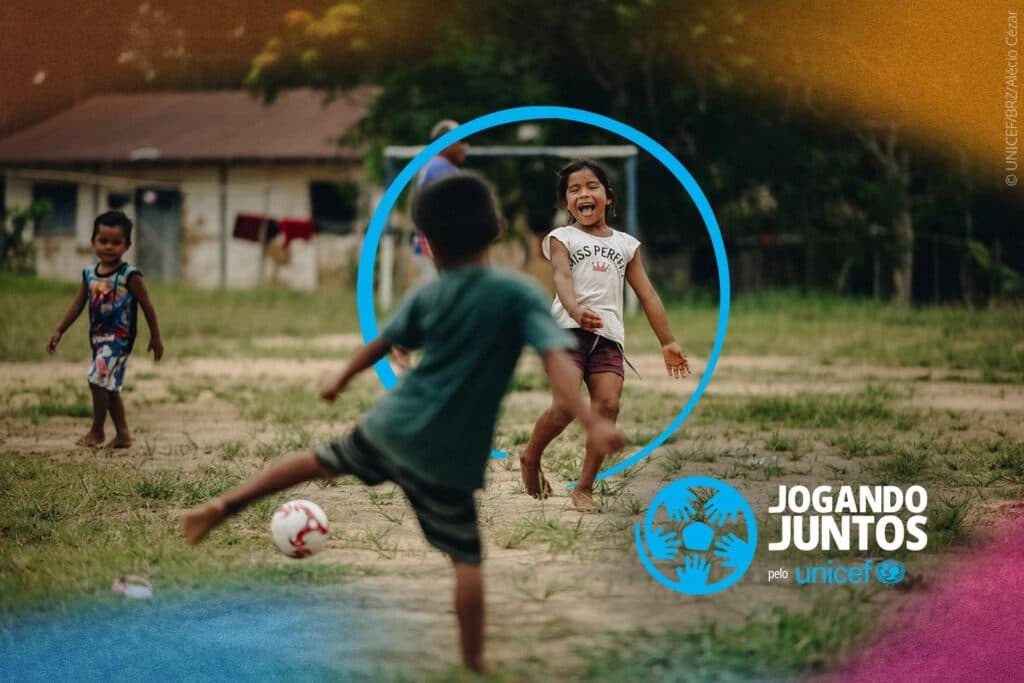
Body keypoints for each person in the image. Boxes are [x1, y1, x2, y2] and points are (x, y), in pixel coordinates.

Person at [181, 174, 625, 673]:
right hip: (446, 458)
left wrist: (340, 377)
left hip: (390, 427)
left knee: (314, 462)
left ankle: (224, 505)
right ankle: (475, 661)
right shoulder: (516, 294)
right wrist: (590, 419)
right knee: (467, 562)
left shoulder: (427, 295)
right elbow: (556, 364)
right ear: (498, 230)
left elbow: (382, 342)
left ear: (428, 243)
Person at [519, 159, 690, 511]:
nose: (584, 193)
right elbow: (563, 278)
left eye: (592, 186)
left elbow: (648, 295)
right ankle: (531, 457)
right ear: (566, 202)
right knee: (565, 407)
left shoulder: (627, 245)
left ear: (608, 197)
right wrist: (575, 309)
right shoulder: (561, 238)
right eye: (574, 189)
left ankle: (584, 487)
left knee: (609, 406)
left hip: (608, 339)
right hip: (566, 333)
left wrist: (668, 341)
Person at [46, 210, 163, 448]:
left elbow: (147, 306)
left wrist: (156, 337)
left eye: (116, 242)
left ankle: (97, 431)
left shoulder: (129, 275)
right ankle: (122, 435)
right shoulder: (89, 274)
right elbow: (78, 304)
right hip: (99, 338)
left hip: (119, 339)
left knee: (96, 379)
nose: (109, 247)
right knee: (108, 385)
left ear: (127, 245)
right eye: (103, 241)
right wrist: (59, 330)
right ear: (93, 242)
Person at [411, 119, 468, 281]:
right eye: (460, 141)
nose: (464, 147)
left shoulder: (433, 165)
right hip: (437, 245)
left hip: (428, 242)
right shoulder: (442, 168)